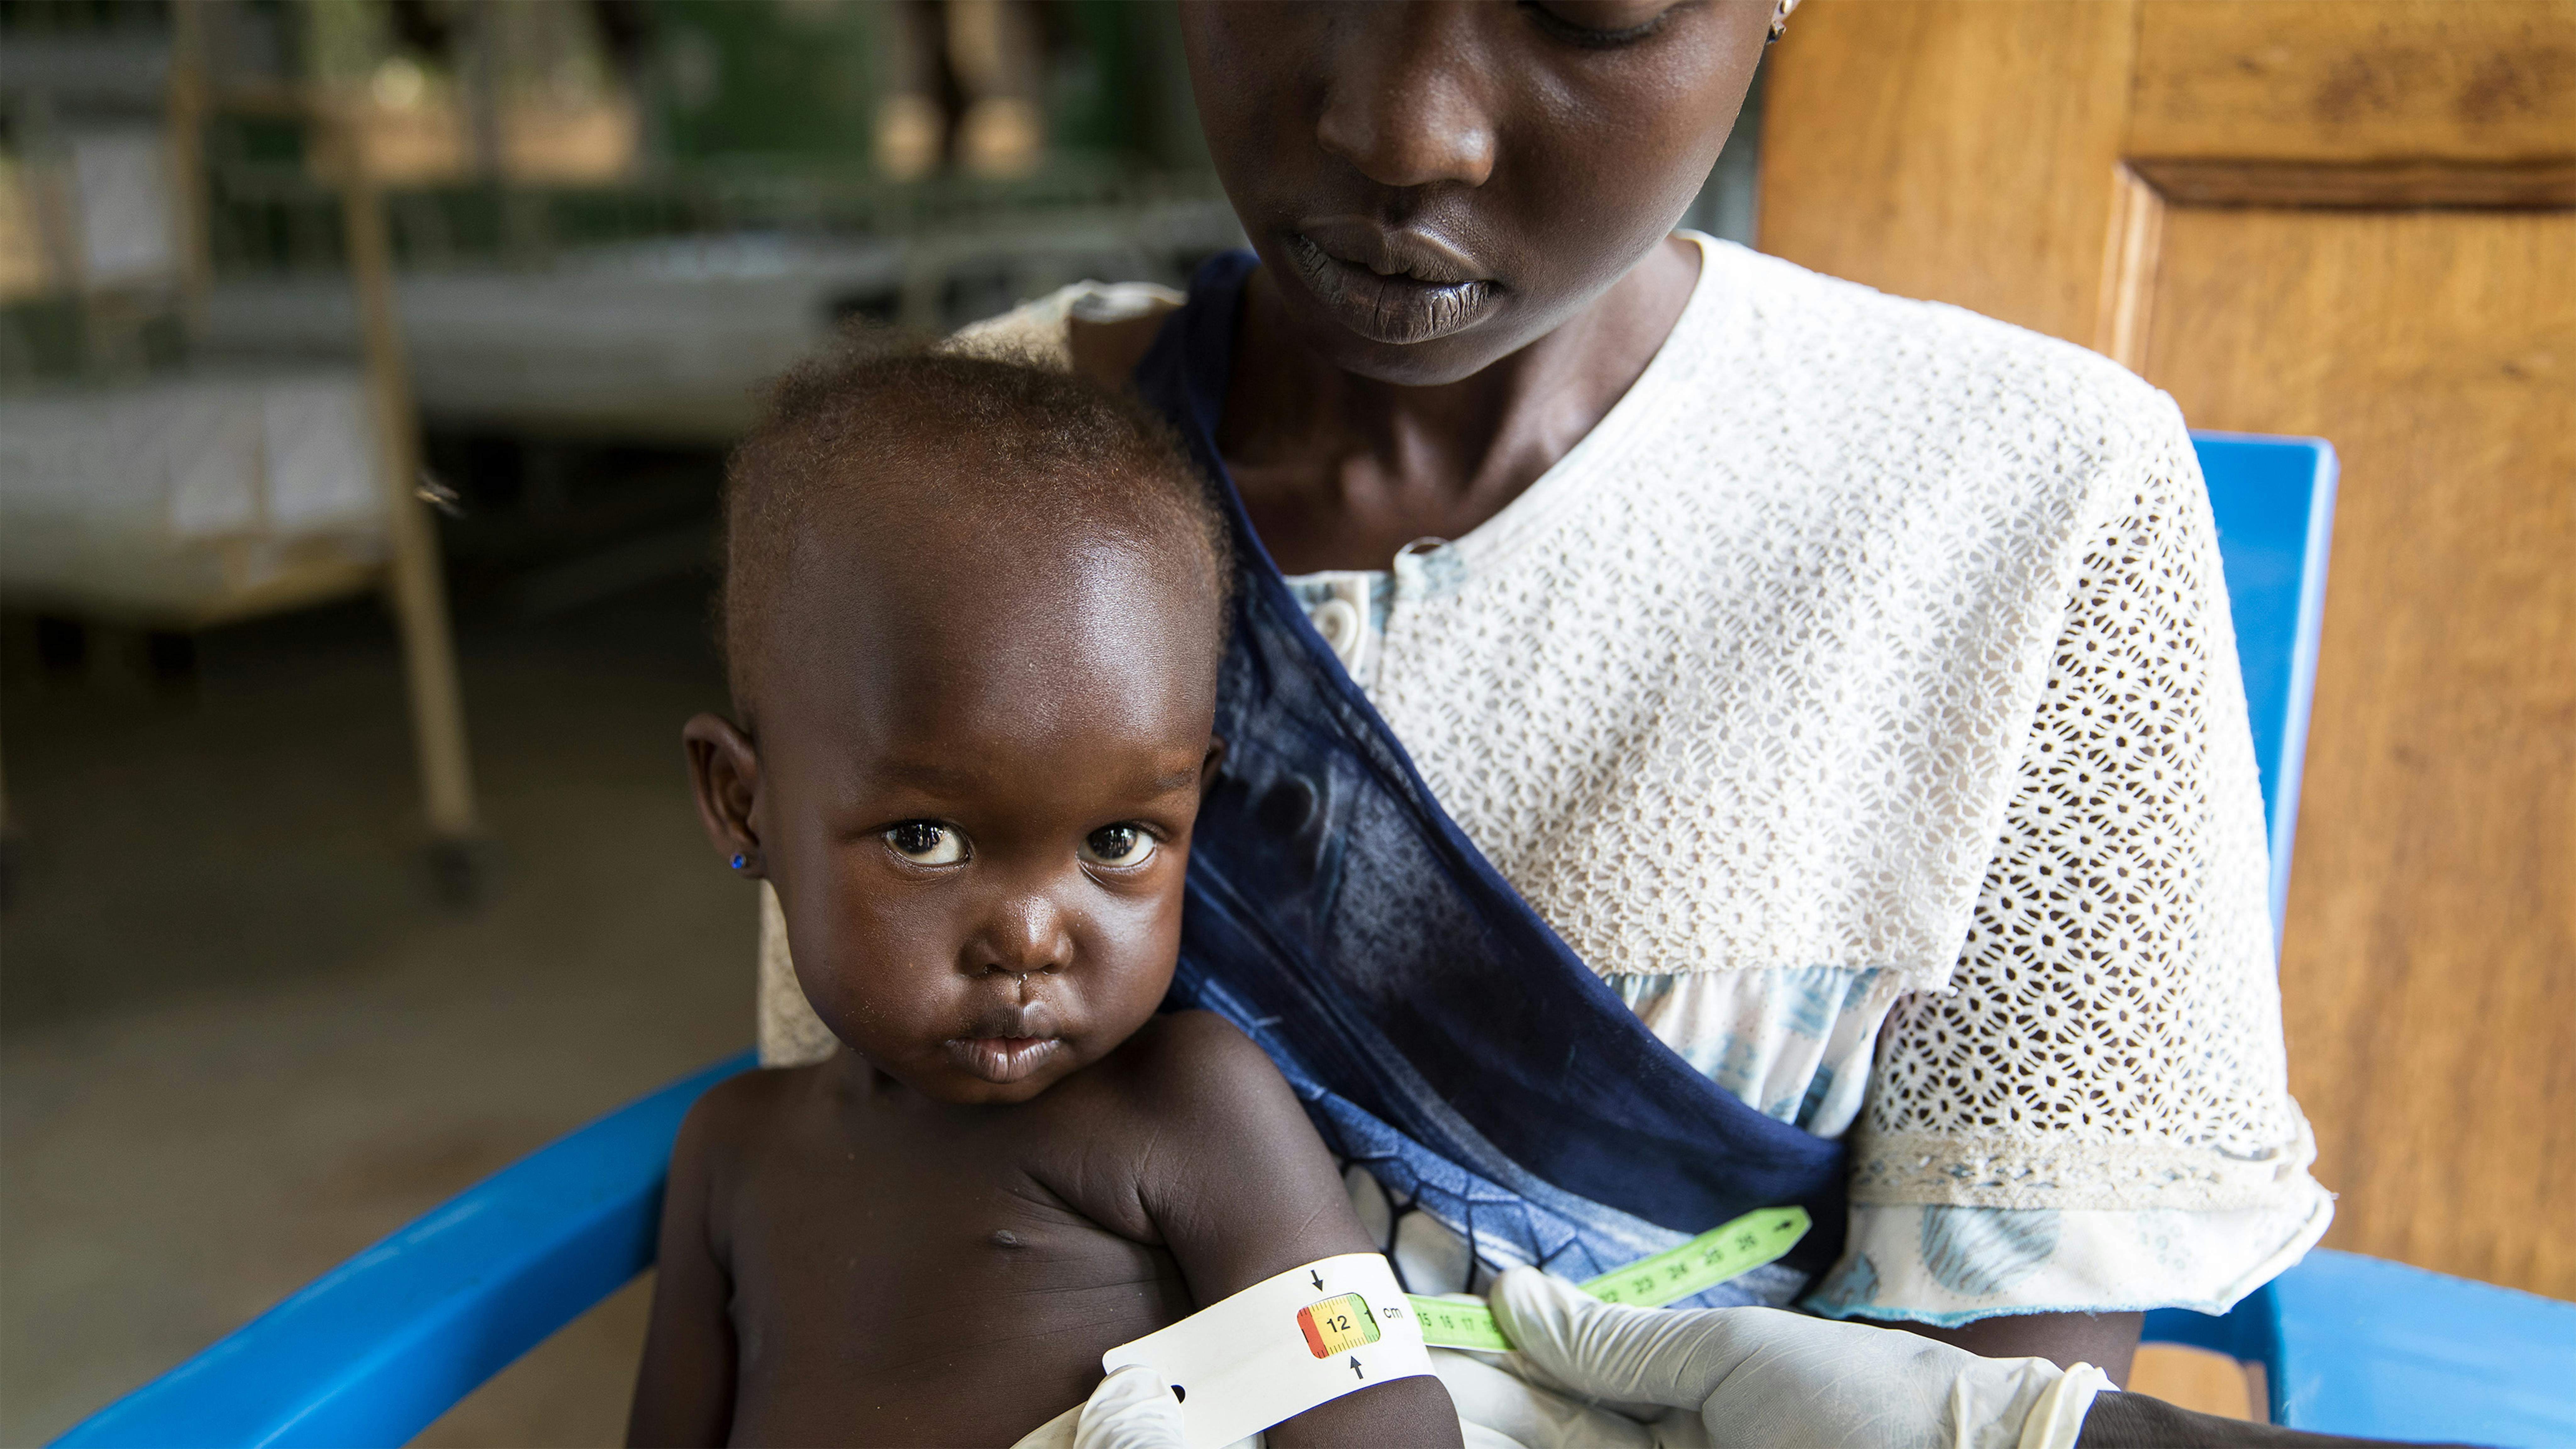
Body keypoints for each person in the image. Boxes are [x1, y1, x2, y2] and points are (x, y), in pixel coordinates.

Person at [757, 0, 2347, 1442]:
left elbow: (1986, 1388)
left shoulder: (2025, 500)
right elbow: (861, 1180)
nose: (1402, 131)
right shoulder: (940, 472)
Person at [628, 352, 1462, 1448]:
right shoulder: (729, 1155)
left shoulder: (1190, 1111)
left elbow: (1381, 1425)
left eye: (1119, 841)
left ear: (1194, 808)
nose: (1029, 938)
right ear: (744, 804)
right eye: (926, 840)